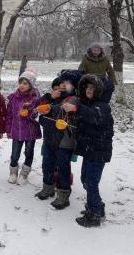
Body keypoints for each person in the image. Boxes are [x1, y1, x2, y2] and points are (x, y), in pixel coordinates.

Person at [35, 70, 83, 210]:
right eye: (61, 82)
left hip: (64, 141)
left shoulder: (74, 98)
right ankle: (48, 188)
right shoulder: (53, 96)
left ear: (74, 85)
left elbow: (62, 109)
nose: (63, 85)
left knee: (63, 167)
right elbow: (37, 106)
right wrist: (49, 96)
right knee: (47, 164)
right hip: (50, 138)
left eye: (66, 83)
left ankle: (63, 194)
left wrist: (48, 108)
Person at [70, 74, 114, 227]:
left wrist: (77, 108)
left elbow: (94, 117)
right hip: (90, 151)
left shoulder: (102, 107)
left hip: (98, 152)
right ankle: (97, 206)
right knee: (85, 180)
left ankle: (94, 214)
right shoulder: (88, 105)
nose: (89, 90)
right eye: (87, 87)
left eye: (93, 88)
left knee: (91, 182)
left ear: (99, 91)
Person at [6, 68, 42, 185]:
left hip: (30, 132)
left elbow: (37, 116)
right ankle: (13, 172)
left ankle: (24, 174)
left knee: (29, 152)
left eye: (25, 83)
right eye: (20, 82)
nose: (21, 85)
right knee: (15, 154)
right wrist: (8, 129)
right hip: (16, 131)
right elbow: (9, 115)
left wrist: (29, 112)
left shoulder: (36, 99)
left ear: (31, 85)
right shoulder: (13, 98)